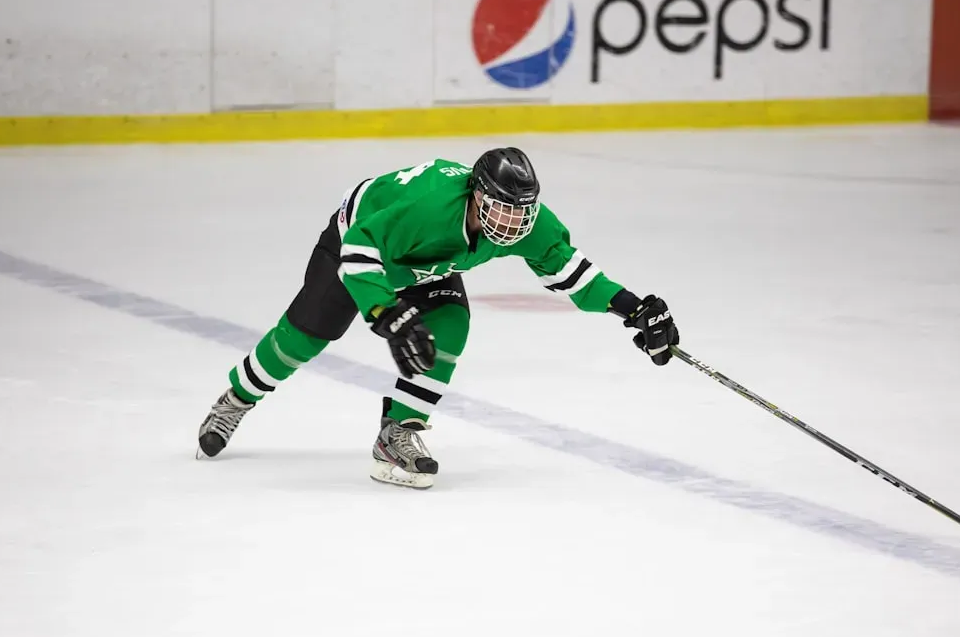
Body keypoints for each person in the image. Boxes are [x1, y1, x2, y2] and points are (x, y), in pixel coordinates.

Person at [195, 147, 679, 489]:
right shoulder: (428, 208)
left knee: (449, 325)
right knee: (303, 337)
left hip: (427, 264)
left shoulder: (529, 226)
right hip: (363, 243)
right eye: (501, 209)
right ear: (475, 193)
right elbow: (360, 251)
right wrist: (389, 314)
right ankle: (237, 398)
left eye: (522, 213)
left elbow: (573, 275)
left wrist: (633, 309)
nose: (512, 225)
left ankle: (398, 432)